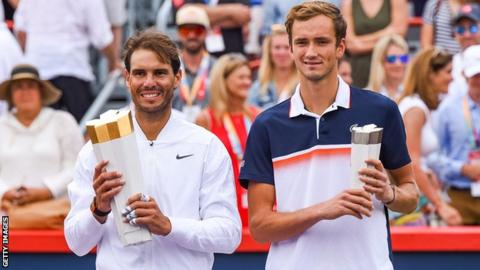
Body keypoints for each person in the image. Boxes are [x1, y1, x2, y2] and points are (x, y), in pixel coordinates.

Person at [239, 2, 418, 269]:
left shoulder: (382, 110)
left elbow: (411, 196)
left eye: (321, 41)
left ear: (340, 47)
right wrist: (322, 210)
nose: (311, 52)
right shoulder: (266, 125)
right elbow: (261, 227)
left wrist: (388, 193)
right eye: (302, 42)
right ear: (290, 49)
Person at [64, 31, 241, 269]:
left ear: (177, 77)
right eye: (139, 73)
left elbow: (228, 236)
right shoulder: (97, 147)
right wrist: (98, 208)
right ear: (127, 78)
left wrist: (168, 226)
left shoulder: (206, 145)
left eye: (159, 72)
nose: (149, 82)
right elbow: (76, 243)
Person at [13, 0, 121, 122]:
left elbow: (21, 31)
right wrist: (113, 63)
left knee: (40, 132)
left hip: (39, 71)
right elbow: (101, 38)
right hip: (72, 69)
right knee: (84, 133)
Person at [0, 64, 83, 218]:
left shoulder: (62, 121)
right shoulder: (1, 125)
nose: (25, 92)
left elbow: (76, 166)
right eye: (18, 87)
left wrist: (48, 190)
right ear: (11, 95)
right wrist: (5, 192)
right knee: (5, 242)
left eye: (31, 86)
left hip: (54, 213)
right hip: (6, 214)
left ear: (41, 92)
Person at [396, 48, 462, 226]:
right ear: (430, 74)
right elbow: (411, 163)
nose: (452, 78)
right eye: (448, 72)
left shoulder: (418, 106)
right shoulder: (415, 109)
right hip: (408, 209)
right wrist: (440, 205)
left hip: (418, 201)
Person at [196, 53, 259, 227]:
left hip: (253, 198)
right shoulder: (206, 119)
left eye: (248, 77)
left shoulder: (257, 116)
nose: (247, 82)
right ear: (223, 80)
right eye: (241, 77)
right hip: (223, 200)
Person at [427, 44, 480, 225]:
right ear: (464, 74)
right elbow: (432, 156)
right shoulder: (449, 109)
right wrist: (462, 168)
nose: (479, 80)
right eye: (475, 75)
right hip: (459, 196)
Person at [342, 0, 408, 88]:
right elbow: (350, 44)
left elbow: (399, 30)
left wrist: (360, 42)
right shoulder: (348, 2)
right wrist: (386, 36)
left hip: (388, 66)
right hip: (358, 69)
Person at [173, 5, 216, 122]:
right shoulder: (169, 68)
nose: (192, 35)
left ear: (206, 32)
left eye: (198, 30)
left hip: (211, 133)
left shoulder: (219, 68)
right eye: (186, 31)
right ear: (178, 33)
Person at [249, 24, 298, 109]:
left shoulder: (305, 86)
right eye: (277, 47)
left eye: (287, 47)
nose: (282, 53)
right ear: (269, 52)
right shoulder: (258, 88)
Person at [449, 3, 480, 100]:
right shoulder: (451, 63)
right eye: (461, 29)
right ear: (455, 33)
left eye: (473, 28)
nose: (467, 35)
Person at [367, 34, 409, 100]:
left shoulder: (414, 94)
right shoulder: (368, 96)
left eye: (403, 58)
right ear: (380, 62)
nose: (398, 64)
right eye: (392, 59)